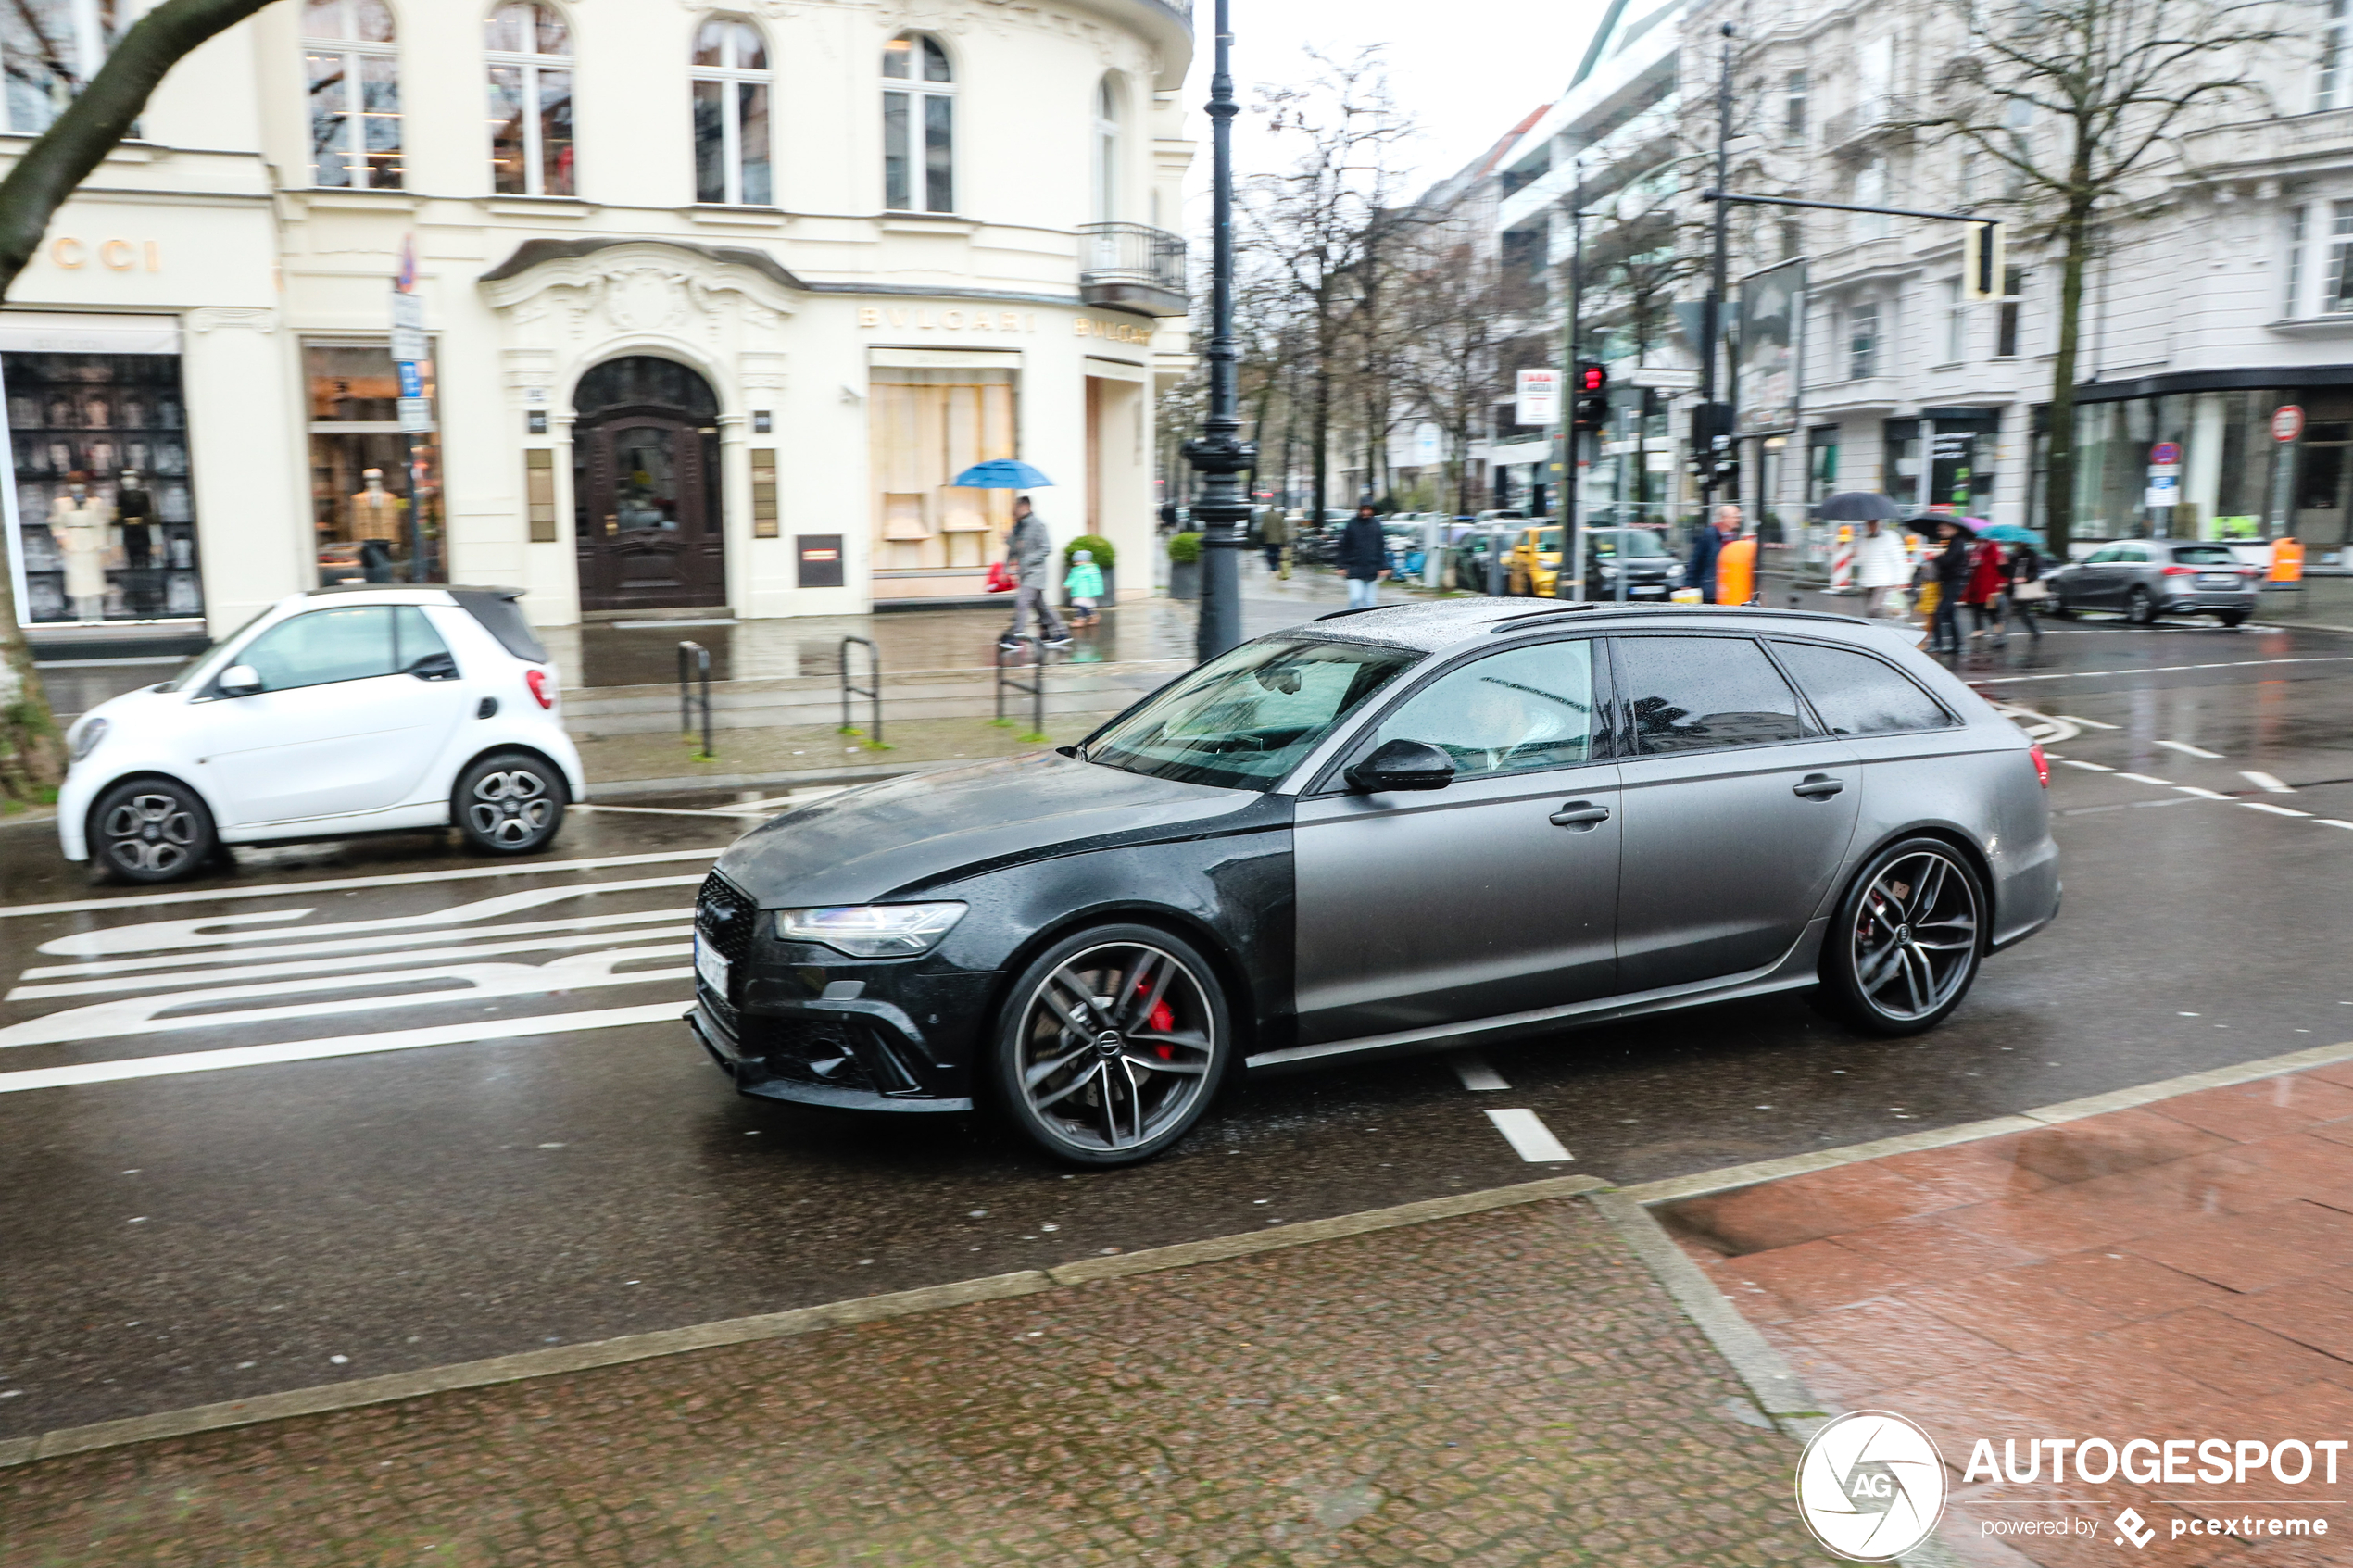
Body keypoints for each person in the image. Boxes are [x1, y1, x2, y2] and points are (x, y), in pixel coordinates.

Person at [1000, 496, 1069, 648]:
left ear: (1026, 507)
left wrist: (1028, 559)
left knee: (1022, 602)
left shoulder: (1038, 525)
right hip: (1025, 574)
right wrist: (1008, 539)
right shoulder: (1018, 527)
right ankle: (1060, 632)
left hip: (1036, 573)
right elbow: (1013, 550)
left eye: (1017, 507)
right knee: (1042, 606)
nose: (1014, 510)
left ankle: (1016, 635)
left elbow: (1047, 548)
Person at [1928, 521, 1971, 654]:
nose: (1940, 532)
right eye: (1940, 530)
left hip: (1955, 581)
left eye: (1943, 529)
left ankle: (1938, 644)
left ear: (1953, 529)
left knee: (1940, 612)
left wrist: (1937, 558)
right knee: (1949, 613)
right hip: (1950, 581)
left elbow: (1949, 561)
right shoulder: (1953, 542)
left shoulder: (1958, 542)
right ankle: (1958, 645)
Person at [1854, 518, 1910, 618]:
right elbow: (1861, 560)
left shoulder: (1890, 537)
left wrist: (1901, 581)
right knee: (1870, 613)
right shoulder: (1864, 538)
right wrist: (1856, 552)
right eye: (1868, 524)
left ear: (1879, 524)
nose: (1870, 526)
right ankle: (1875, 630)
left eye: (1873, 523)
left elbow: (1899, 559)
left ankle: (1883, 630)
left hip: (1883, 582)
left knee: (1875, 610)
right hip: (1867, 582)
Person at [1337, 503, 1388, 609]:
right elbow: (1344, 546)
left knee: (1370, 603)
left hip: (1372, 569)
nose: (1366, 513)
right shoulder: (1352, 525)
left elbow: (1381, 547)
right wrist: (1341, 566)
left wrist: (1384, 567)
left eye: (1368, 510)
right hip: (1354, 568)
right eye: (1363, 510)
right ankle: (1350, 619)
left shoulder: (1376, 525)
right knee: (1356, 598)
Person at [1688, 504, 1738, 603]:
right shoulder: (1709, 535)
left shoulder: (1734, 537)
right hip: (1710, 591)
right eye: (1735, 516)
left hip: (1729, 591)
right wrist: (1689, 583)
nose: (1737, 519)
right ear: (1724, 518)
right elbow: (1696, 560)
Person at [1963, 533, 2007, 639]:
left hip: (1991, 584)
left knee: (1991, 608)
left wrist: (2002, 581)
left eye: (1976, 539)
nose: (1974, 541)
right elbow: (1971, 563)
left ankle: (1998, 631)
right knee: (1976, 607)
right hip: (1978, 583)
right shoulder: (1977, 549)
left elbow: (1998, 563)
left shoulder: (1993, 546)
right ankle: (1979, 629)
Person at [2002, 536, 2045, 643]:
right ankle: (2000, 638)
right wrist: (2002, 565)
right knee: (2005, 613)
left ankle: (2035, 630)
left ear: (2024, 543)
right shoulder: (2012, 555)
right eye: (2014, 542)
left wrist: (2025, 578)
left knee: (2024, 613)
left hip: (2023, 589)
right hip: (2012, 588)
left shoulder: (2031, 555)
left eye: (2017, 542)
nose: (2015, 544)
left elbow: (2035, 573)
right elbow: (2006, 572)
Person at [1063, 547, 1103, 628]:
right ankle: (1094, 615)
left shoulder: (1091, 570)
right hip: (1078, 591)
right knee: (1084, 606)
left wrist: (1096, 590)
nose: (1077, 563)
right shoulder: (1075, 570)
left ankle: (1079, 620)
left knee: (1081, 606)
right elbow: (1072, 578)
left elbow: (1096, 581)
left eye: (1080, 561)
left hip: (1087, 592)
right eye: (1076, 561)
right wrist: (1067, 584)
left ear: (1086, 561)